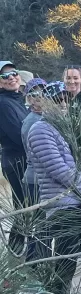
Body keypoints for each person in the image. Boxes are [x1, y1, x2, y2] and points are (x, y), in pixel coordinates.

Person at [26, 82, 81, 294]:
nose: (64, 103)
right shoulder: (40, 130)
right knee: (64, 263)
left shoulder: (62, 127)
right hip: (60, 205)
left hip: (74, 201)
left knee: (69, 261)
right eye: (58, 99)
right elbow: (57, 169)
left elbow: (80, 161)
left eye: (66, 99)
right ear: (45, 103)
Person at [0, 59, 30, 256]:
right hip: (17, 161)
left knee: (26, 208)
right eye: (4, 76)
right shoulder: (4, 104)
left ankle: (17, 252)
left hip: (22, 160)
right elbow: (19, 135)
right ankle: (16, 253)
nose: (11, 78)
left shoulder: (16, 99)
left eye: (14, 73)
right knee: (25, 208)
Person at [20, 77, 48, 262]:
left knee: (42, 226)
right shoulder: (32, 122)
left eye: (44, 93)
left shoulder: (42, 117)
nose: (40, 97)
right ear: (29, 99)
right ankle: (34, 265)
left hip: (39, 179)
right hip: (36, 179)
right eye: (35, 94)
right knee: (39, 227)